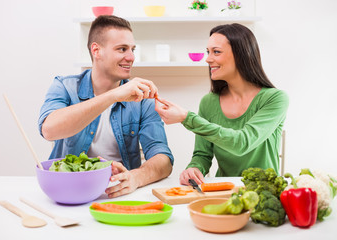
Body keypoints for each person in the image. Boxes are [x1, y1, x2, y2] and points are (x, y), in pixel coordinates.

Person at [38, 15, 173, 197]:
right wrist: (113, 96)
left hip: (120, 193)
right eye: (122, 49)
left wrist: (136, 178)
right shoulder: (65, 87)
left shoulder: (142, 99)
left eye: (132, 49)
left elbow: (163, 158)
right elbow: (49, 130)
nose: (131, 57)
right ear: (96, 50)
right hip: (70, 192)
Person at [155, 23, 288, 185]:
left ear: (241, 55)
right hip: (224, 192)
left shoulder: (274, 99)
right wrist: (194, 168)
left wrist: (186, 117)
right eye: (208, 52)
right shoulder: (209, 102)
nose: (208, 59)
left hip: (264, 193)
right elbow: (202, 155)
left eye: (216, 52)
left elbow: (242, 143)